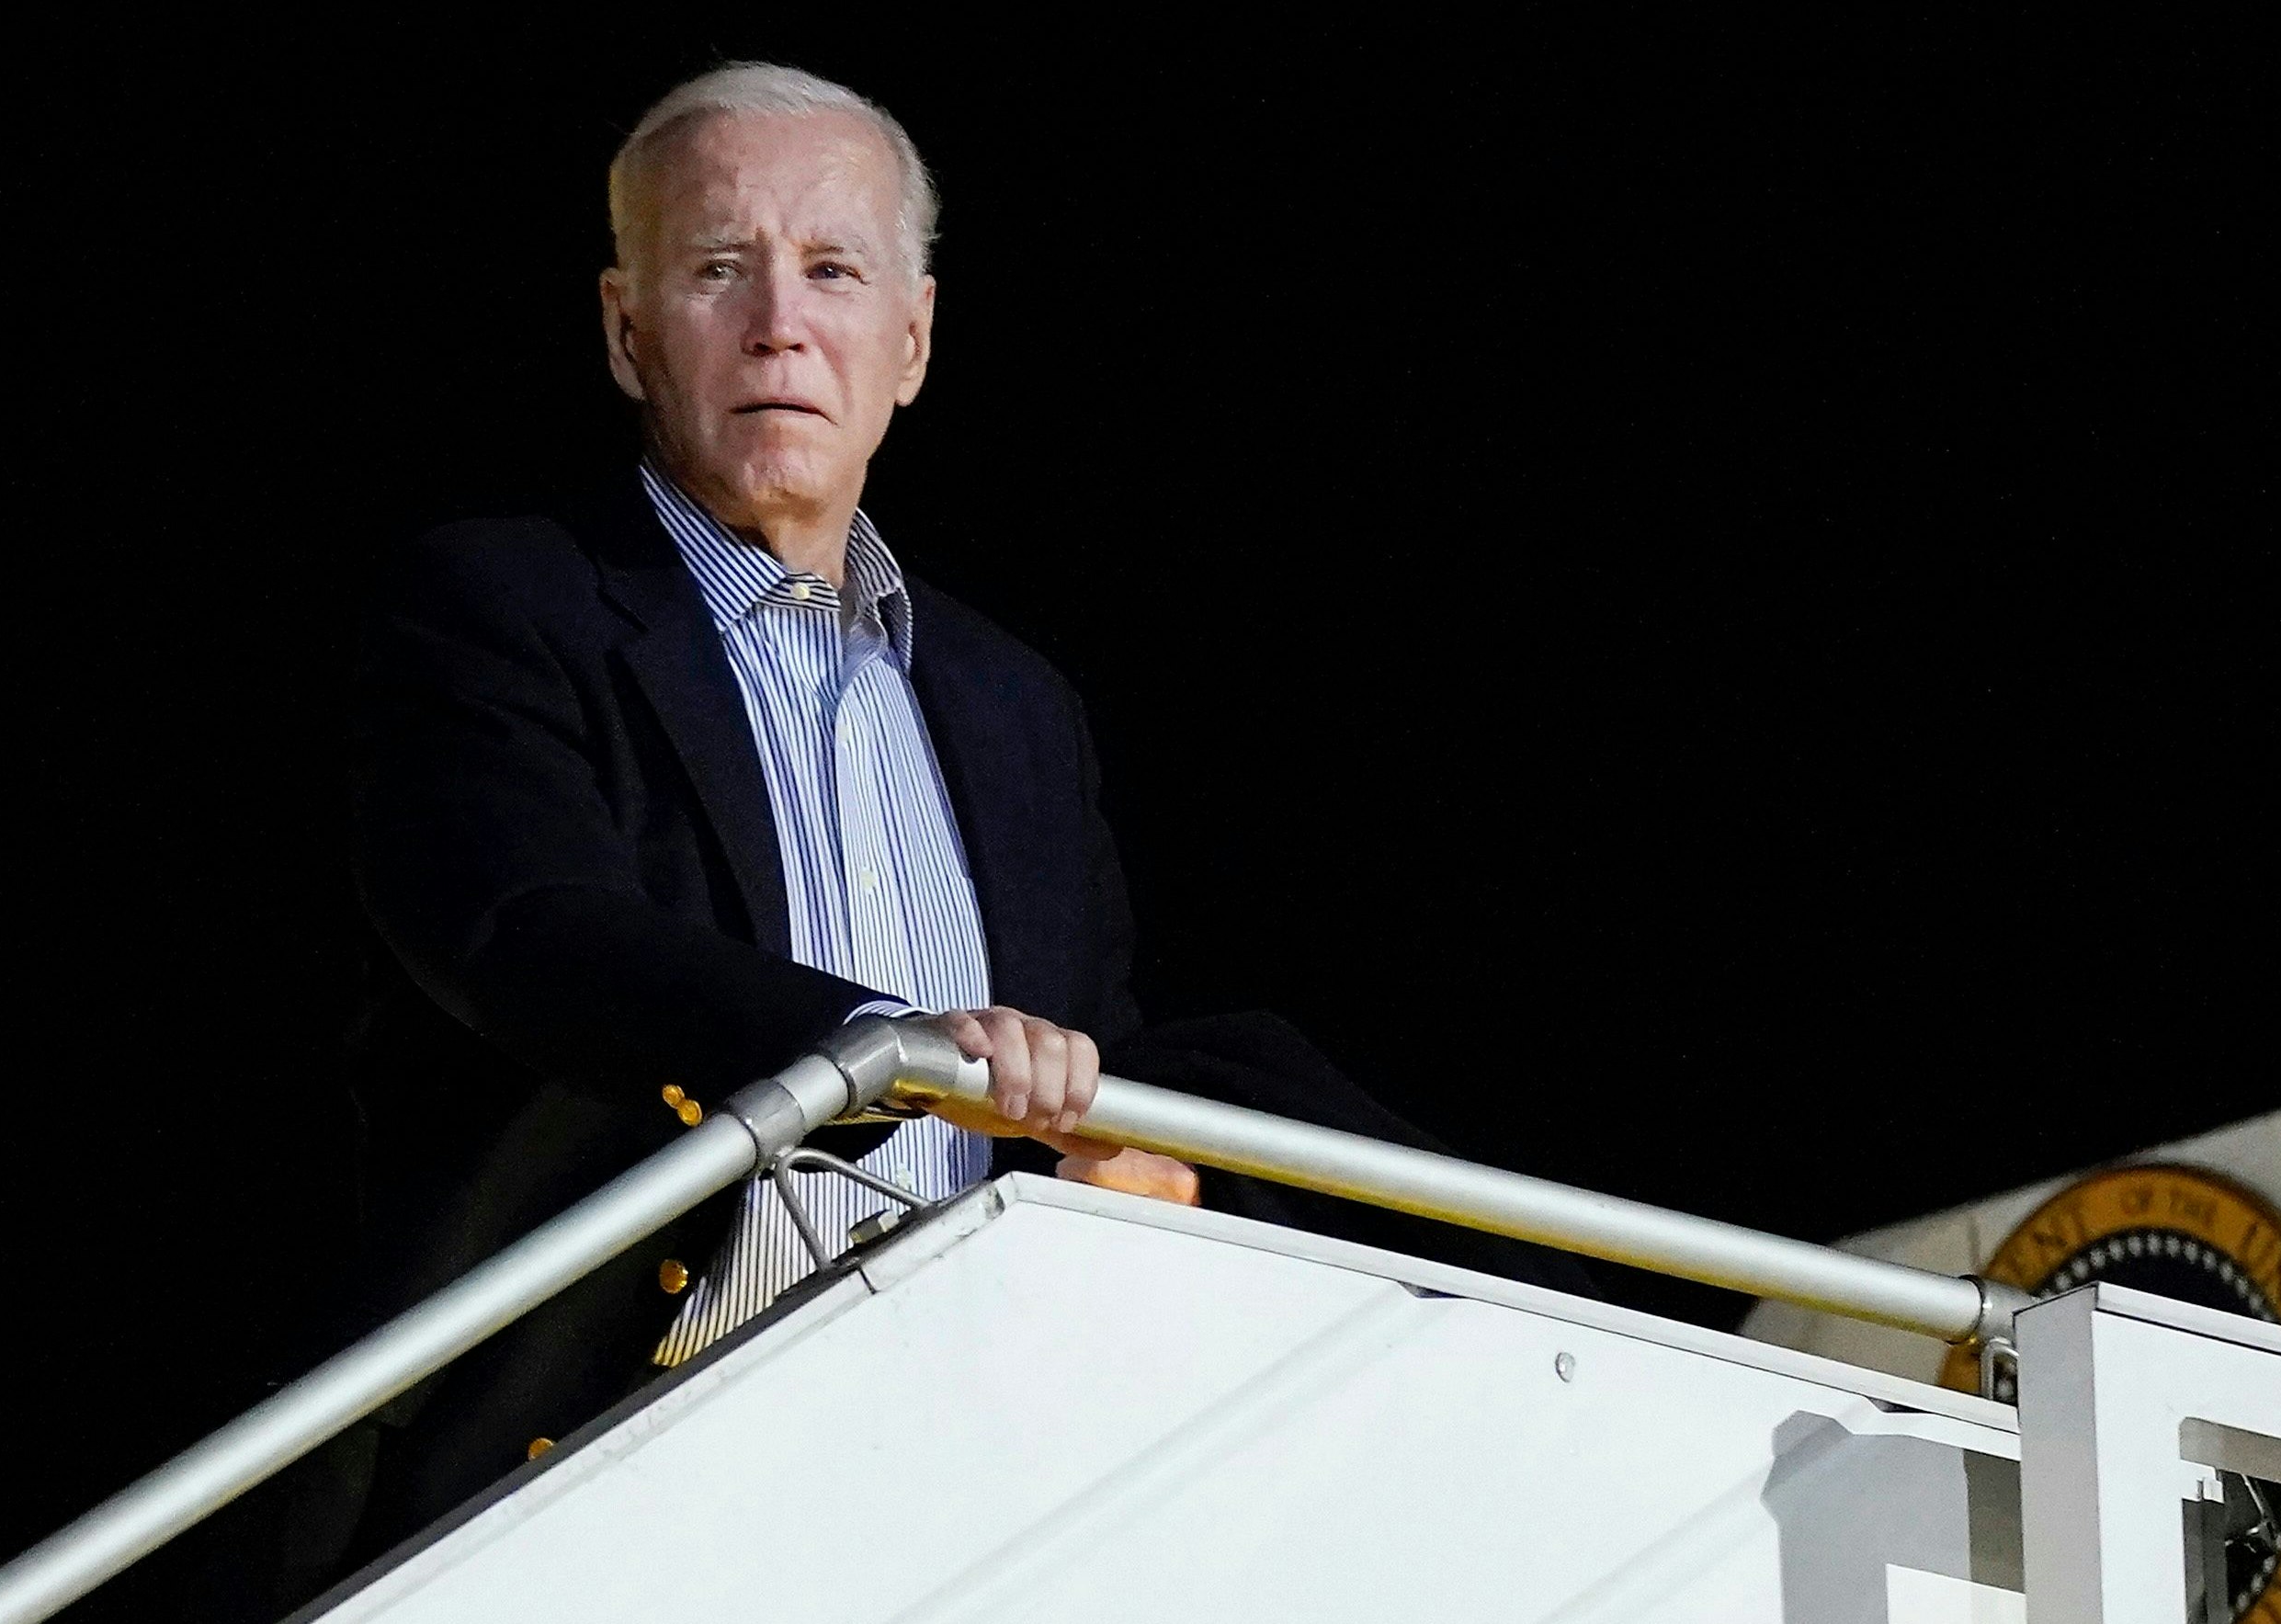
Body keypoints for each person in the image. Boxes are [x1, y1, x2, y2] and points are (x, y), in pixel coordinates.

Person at [260, 61, 1590, 1613]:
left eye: (833, 269)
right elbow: (518, 927)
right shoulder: (502, 601)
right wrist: (878, 1051)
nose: (779, 323)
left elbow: (1088, 1068)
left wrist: (1145, 1171)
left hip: (968, 1488)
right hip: (595, 1475)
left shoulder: (1015, 704)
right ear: (628, 332)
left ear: (913, 339)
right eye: (718, 269)